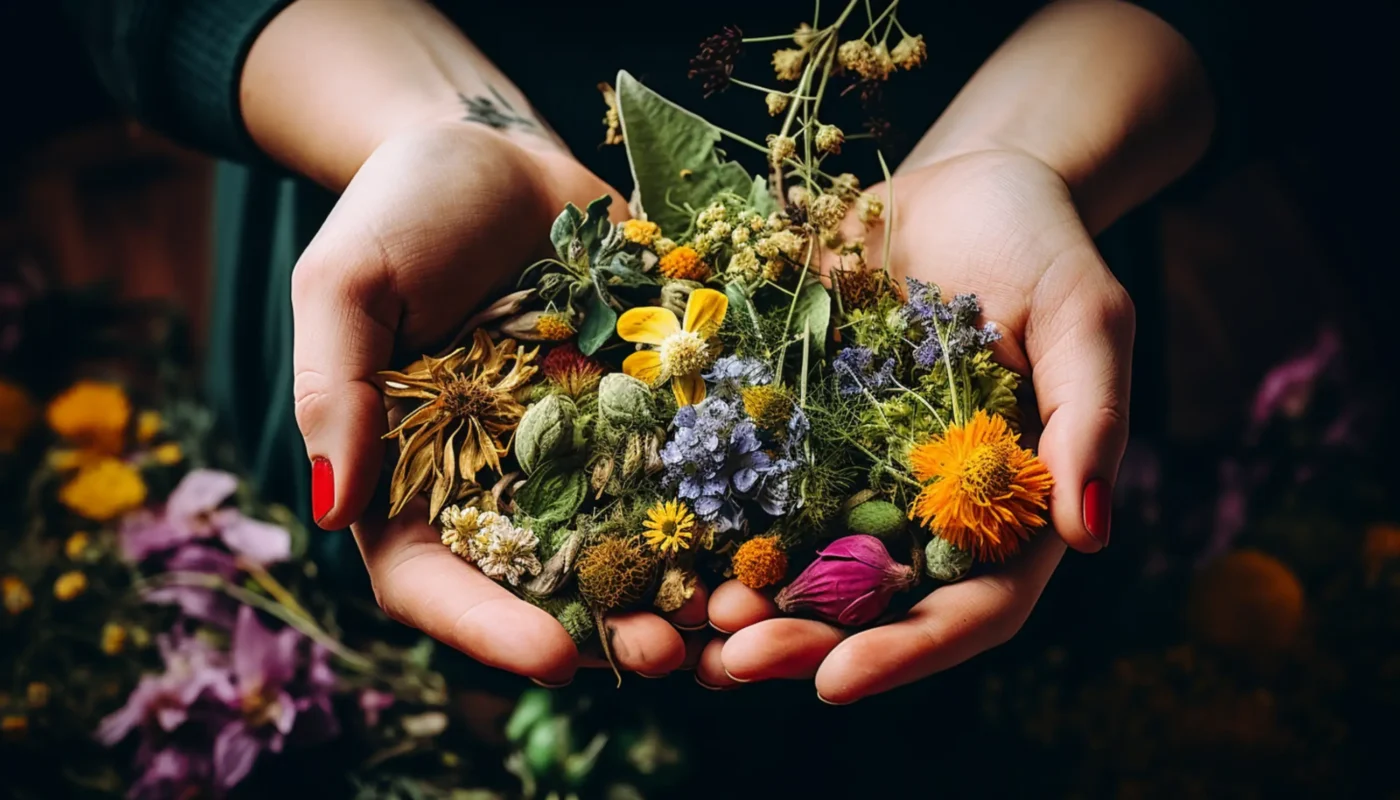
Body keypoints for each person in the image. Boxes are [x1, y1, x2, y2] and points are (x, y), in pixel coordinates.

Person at [59, 0, 1227, 701]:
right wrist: (433, 126)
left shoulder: (860, 393)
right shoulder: (574, 403)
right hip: (431, 226)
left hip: (981, 222)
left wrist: (1026, 150)